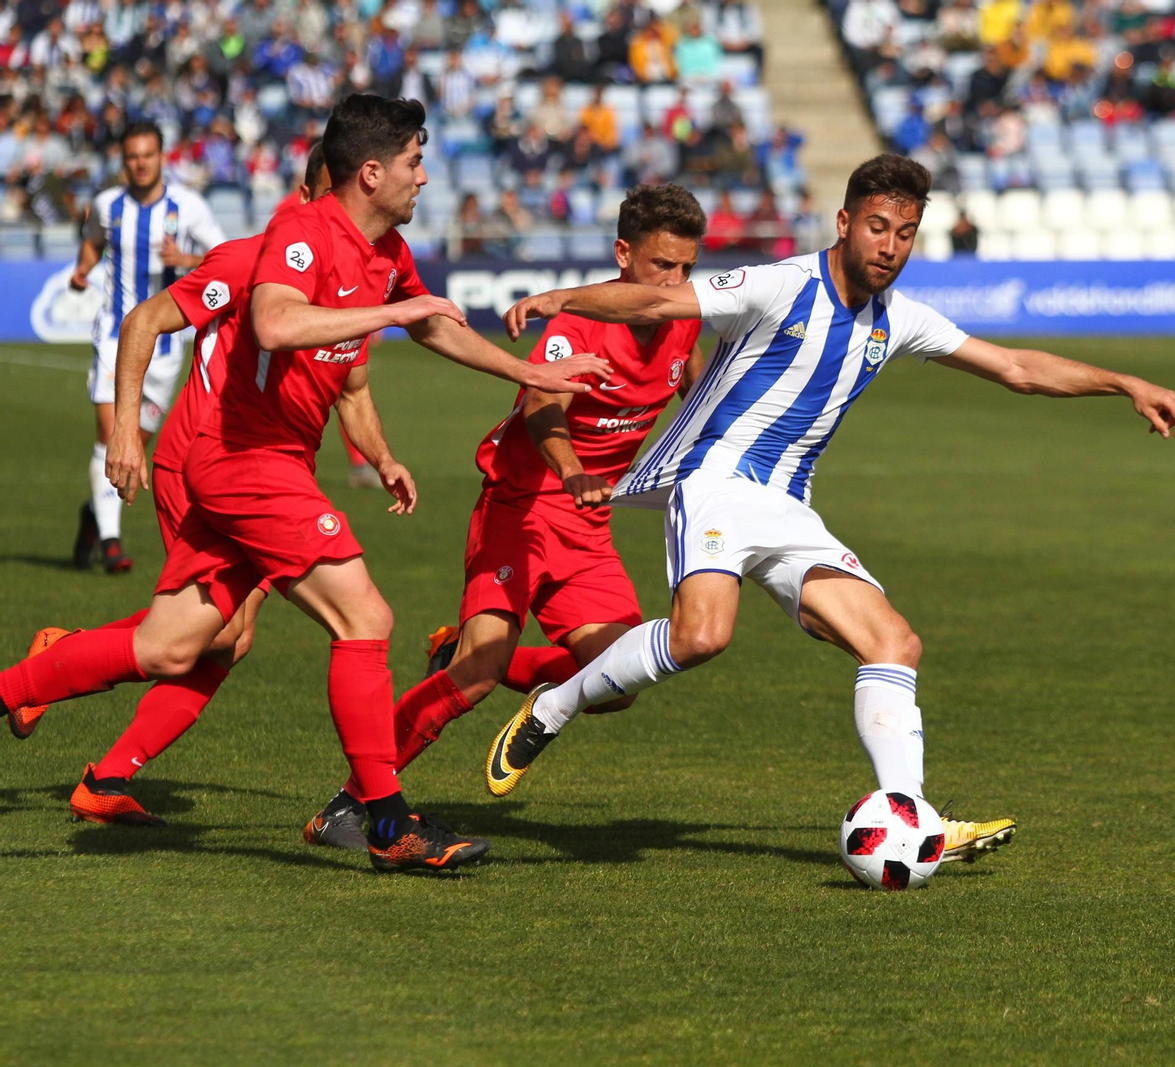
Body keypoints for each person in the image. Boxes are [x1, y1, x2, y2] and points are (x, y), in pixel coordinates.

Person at [485, 155, 1175, 860]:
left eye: (906, 233)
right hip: (718, 478)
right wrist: (563, 298)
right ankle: (555, 704)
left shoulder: (899, 317)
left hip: (788, 504)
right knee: (702, 637)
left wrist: (1123, 381)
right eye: (878, 227)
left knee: (893, 643)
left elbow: (1016, 367)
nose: (890, 246)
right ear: (846, 222)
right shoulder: (781, 284)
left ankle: (913, 818)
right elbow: (660, 301)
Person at [0, 96, 609, 874]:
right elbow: (277, 324)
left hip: (272, 463)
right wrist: (128, 423)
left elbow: (430, 326)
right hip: (243, 460)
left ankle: (21, 693)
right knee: (366, 615)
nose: (426, 178)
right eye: (416, 164)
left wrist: (527, 370)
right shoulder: (298, 234)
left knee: (171, 645)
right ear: (372, 171)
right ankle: (385, 825)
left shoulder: (386, 251)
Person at [304, 184, 707, 848]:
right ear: (622, 255)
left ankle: (469, 652)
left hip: (587, 528)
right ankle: (349, 802)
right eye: (663, 266)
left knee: (621, 681)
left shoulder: (684, 320)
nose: (676, 281)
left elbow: (695, 386)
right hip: (520, 509)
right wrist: (573, 468)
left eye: (687, 268)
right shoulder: (579, 325)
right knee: (474, 676)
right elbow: (539, 406)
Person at [8, 144, 336, 825]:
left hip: (261, 469)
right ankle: (66, 701)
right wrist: (126, 426)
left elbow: (348, 377)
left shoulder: (337, 264)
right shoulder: (260, 254)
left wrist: (378, 453)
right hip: (205, 460)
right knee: (212, 637)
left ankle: (102, 766)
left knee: (225, 638)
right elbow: (149, 317)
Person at [69, 121, 225, 575]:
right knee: (110, 435)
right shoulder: (106, 205)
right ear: (123, 161)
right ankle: (113, 544)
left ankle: (93, 519)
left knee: (132, 446)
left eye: (148, 155)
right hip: (114, 337)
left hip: (167, 345)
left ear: (162, 157)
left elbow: (225, 257)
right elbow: (93, 242)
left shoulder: (189, 207)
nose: (140, 163)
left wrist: (188, 261)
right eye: (132, 156)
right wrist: (82, 270)